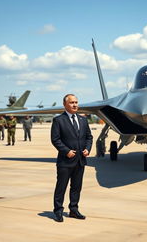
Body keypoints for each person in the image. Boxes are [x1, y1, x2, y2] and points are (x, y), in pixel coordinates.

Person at [51, 94, 93, 222]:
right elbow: (55, 139)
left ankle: (73, 210)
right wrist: (66, 151)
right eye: (72, 103)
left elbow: (89, 137)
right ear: (65, 104)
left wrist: (87, 149)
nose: (75, 105)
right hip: (65, 161)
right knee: (61, 187)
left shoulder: (83, 120)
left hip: (80, 160)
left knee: (76, 187)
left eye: (76, 102)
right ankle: (58, 211)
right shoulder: (59, 120)